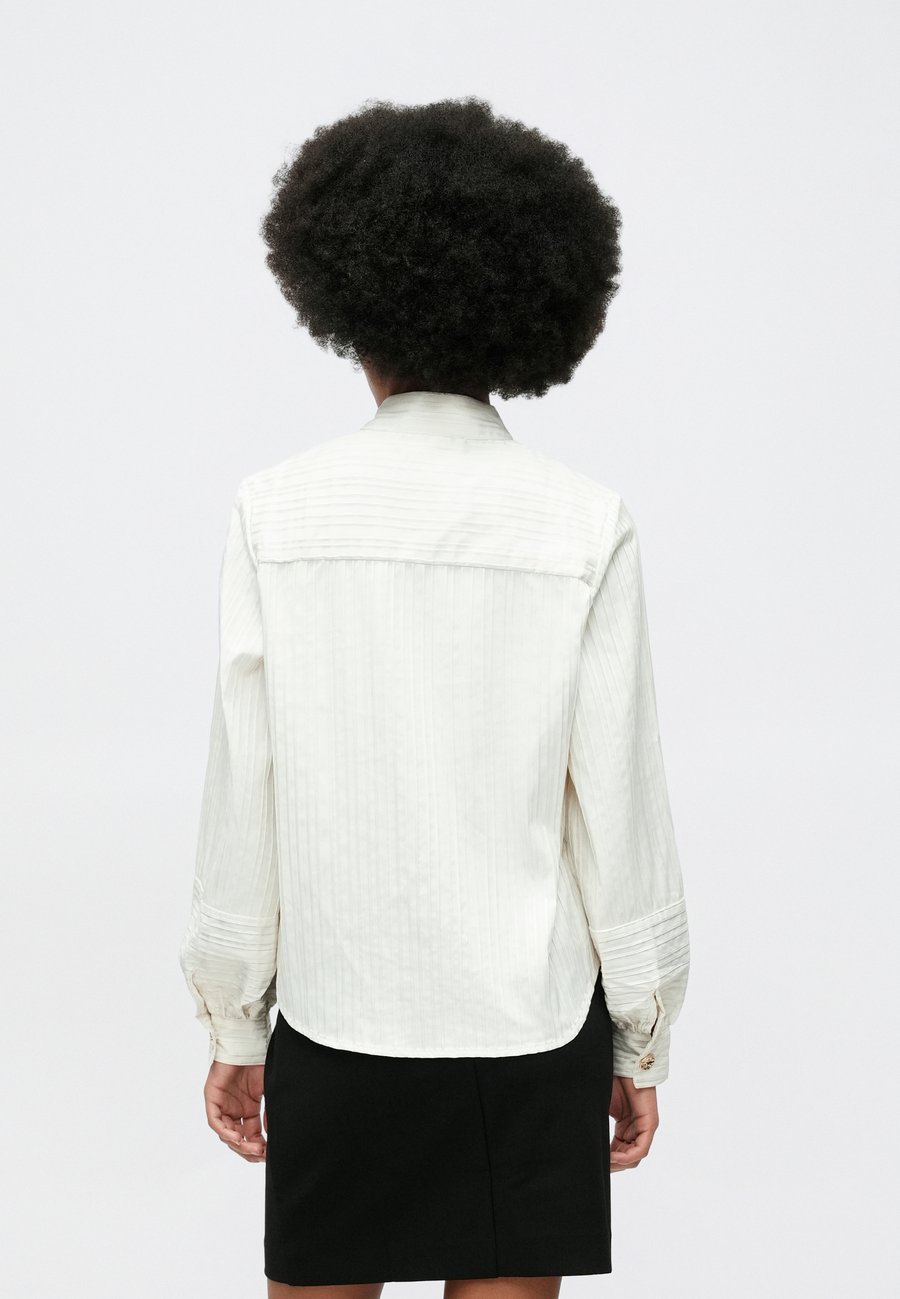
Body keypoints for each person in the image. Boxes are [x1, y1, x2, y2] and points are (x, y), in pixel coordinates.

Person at [178, 95, 691, 1299]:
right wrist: (641, 1033)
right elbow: (617, 802)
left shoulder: (276, 513)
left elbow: (244, 791)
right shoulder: (584, 522)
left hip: (341, 1013)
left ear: (347, 308)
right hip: (532, 1022)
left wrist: (234, 1021)